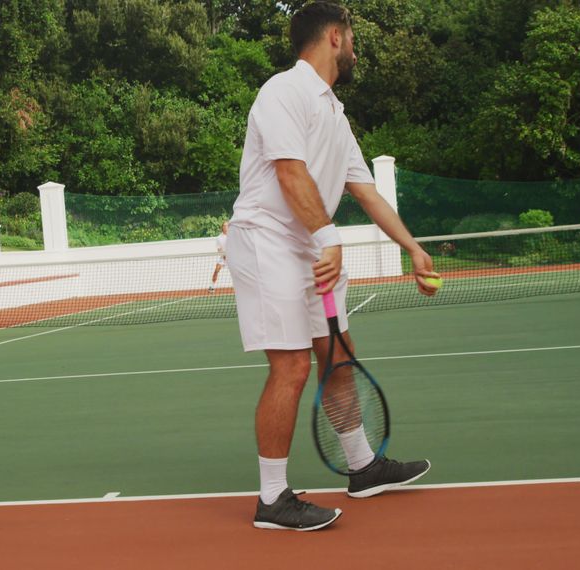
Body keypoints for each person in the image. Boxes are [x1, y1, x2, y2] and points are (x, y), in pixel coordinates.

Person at [225, 1, 440, 531]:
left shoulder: (334, 113)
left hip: (311, 246)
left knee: (338, 354)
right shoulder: (282, 92)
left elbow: (365, 191)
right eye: (352, 35)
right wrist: (328, 237)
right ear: (335, 38)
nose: (355, 46)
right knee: (293, 366)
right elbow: (289, 174)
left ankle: (363, 466)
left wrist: (412, 248)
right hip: (268, 242)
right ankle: (272, 499)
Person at [208, 221, 230, 293]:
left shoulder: (232, 235)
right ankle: (212, 286)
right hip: (223, 258)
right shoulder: (219, 238)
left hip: (232, 257)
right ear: (222, 227)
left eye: (227, 226)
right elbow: (219, 249)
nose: (226, 227)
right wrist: (224, 256)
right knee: (216, 270)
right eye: (224, 226)